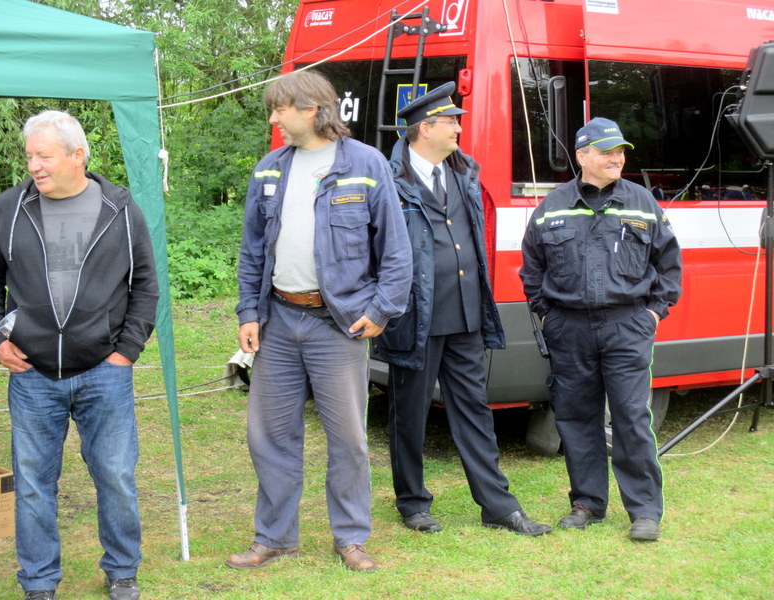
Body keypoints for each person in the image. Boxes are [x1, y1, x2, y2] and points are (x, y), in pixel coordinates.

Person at [229, 70, 412, 572]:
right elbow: (251, 251)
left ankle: (350, 538)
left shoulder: (366, 164)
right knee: (270, 436)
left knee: (348, 438)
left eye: (280, 109)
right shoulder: (269, 170)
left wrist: (380, 310)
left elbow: (397, 251)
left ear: (312, 108)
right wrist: (249, 311)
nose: (273, 118)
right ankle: (274, 537)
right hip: (278, 320)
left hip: (339, 324)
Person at [0, 111, 158, 599]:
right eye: (29, 156)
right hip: (32, 374)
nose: (33, 165)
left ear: (78, 156)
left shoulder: (120, 209)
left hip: (104, 371)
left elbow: (145, 283)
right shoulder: (10, 208)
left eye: (44, 156)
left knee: (115, 476)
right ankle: (38, 582)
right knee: (34, 483)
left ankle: (122, 570)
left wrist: (127, 351)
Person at [375, 82, 552, 536]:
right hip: (414, 318)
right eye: (451, 122)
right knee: (409, 416)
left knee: (475, 411)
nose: (458, 129)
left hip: (467, 315)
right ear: (425, 128)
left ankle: (498, 506)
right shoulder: (388, 180)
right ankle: (412, 502)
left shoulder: (464, 172)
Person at [519, 117, 682, 541]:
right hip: (569, 329)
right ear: (582, 156)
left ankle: (643, 511)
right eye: (607, 151)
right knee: (576, 418)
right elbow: (532, 268)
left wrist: (653, 314)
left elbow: (669, 265)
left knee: (631, 416)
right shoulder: (552, 205)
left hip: (627, 326)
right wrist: (548, 316)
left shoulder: (641, 202)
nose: (617, 158)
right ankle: (587, 503)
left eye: (620, 151)